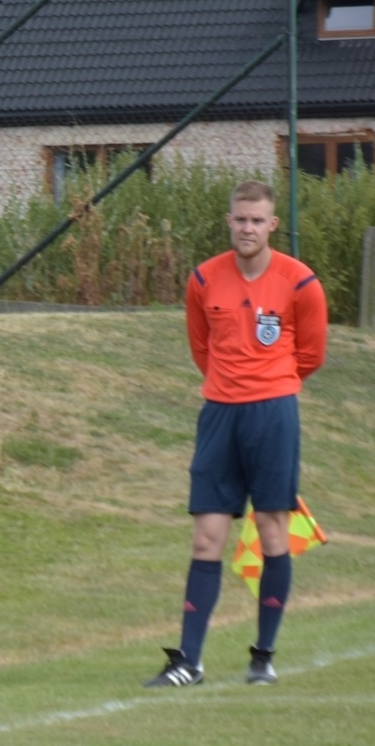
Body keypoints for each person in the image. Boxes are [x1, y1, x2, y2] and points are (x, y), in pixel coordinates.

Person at [145, 179, 326, 688]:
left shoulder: (300, 282)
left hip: (273, 414)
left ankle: (263, 655)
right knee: (207, 536)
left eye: (257, 220)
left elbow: (310, 354)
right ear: (229, 221)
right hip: (219, 415)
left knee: (271, 529)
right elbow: (201, 348)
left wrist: (270, 386)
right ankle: (189, 662)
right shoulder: (203, 279)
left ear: (272, 224)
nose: (247, 228)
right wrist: (229, 386)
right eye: (239, 219)